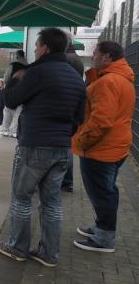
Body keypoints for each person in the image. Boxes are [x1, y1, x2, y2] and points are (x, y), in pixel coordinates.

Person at [0, 28, 86, 268]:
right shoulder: (77, 78)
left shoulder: (36, 72)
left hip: (34, 146)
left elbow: (12, 101)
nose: (34, 50)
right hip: (61, 148)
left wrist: (11, 81)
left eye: (36, 46)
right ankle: (49, 253)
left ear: (45, 47)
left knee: (21, 198)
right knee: (52, 202)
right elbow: (80, 117)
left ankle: (17, 247)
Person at [72, 41, 134, 253]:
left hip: (101, 149)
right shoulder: (122, 79)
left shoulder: (108, 82)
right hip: (116, 145)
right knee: (107, 192)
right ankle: (101, 228)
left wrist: (81, 142)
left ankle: (104, 238)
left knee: (102, 194)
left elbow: (102, 121)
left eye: (96, 53)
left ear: (107, 57)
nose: (93, 56)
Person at [61, 32, 85, 192]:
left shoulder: (65, 60)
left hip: (64, 105)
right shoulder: (77, 60)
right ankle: (68, 181)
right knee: (68, 147)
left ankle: (65, 181)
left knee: (64, 147)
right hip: (75, 106)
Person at [0, 50, 28, 137]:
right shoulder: (29, 66)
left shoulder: (13, 65)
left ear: (17, 56)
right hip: (23, 90)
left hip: (11, 90)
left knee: (8, 110)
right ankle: (14, 131)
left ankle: (5, 130)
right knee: (18, 112)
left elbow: (6, 78)